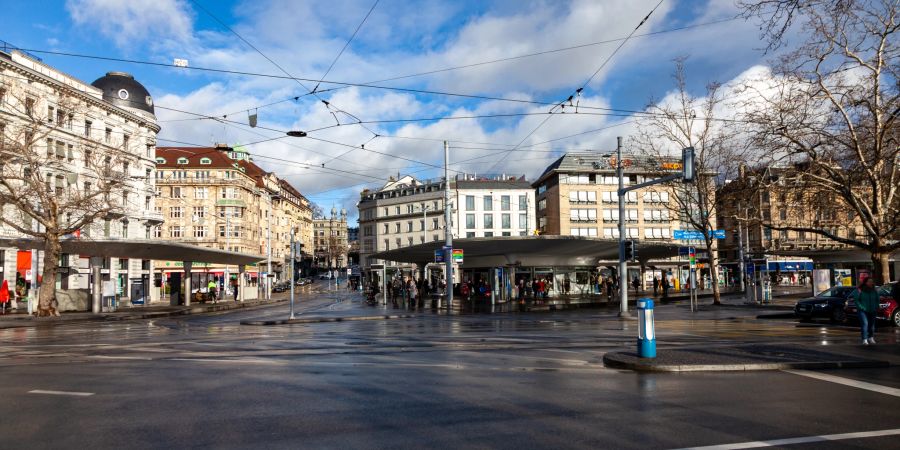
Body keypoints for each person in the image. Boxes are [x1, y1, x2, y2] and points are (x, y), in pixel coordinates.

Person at [852, 277, 880, 345]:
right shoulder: (859, 290)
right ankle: (864, 339)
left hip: (872, 310)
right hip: (863, 310)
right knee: (865, 324)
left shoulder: (874, 290)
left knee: (872, 325)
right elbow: (856, 300)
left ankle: (871, 337)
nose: (871, 283)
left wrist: (876, 306)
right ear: (865, 282)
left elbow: (877, 299)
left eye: (872, 281)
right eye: (869, 281)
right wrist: (861, 307)